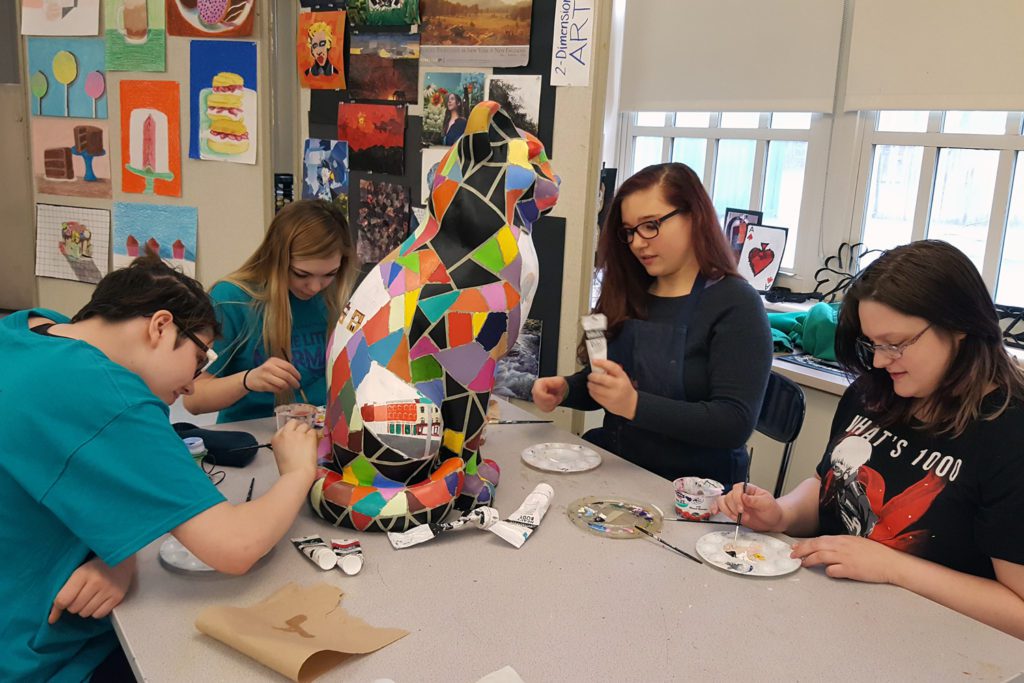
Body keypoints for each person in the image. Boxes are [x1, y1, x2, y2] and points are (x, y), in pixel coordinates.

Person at [0, 256, 319, 682]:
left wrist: (119, 556)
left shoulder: (30, 327)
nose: (191, 384)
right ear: (160, 325)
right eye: (199, 359)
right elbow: (235, 546)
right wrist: (298, 473)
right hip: (38, 656)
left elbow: (72, 474)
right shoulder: (109, 396)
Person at [718, 240, 1024, 638]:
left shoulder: (1009, 432)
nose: (879, 361)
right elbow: (827, 483)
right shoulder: (874, 391)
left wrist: (893, 567)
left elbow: (1018, 610)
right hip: (828, 620)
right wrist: (782, 513)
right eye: (873, 344)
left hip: (929, 643)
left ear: (960, 327)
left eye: (895, 344)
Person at [532, 162, 773, 487]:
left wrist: (634, 404)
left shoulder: (736, 304)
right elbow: (607, 384)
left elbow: (734, 423)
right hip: (618, 471)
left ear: (693, 215)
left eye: (650, 226)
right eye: (629, 231)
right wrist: (568, 389)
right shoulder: (628, 291)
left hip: (695, 493)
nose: (637, 243)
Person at [185, 199, 357, 423]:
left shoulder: (335, 297)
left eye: (329, 274)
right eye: (301, 274)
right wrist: (248, 380)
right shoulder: (231, 300)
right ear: (276, 259)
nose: (315, 287)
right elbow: (193, 399)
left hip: (318, 436)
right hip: (250, 441)